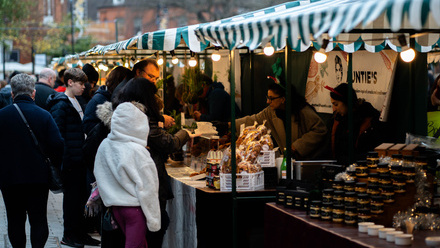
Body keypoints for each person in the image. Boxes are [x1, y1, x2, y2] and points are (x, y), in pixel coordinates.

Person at [94, 78, 163, 248]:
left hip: (115, 207)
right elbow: (148, 187)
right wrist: (154, 220)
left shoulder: (105, 145)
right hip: (135, 209)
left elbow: (100, 174)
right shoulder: (138, 151)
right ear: (141, 125)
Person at [0, 73, 64, 248]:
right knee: (38, 219)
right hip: (38, 176)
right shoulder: (44, 115)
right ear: (33, 93)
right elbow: (58, 144)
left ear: (12, 94)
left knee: (15, 219)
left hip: (9, 177)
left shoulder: (2, 115)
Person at [47, 68, 100, 247]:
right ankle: (69, 235)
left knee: (80, 200)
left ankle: (80, 234)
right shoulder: (61, 103)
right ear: (70, 82)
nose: (84, 87)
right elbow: (56, 134)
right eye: (80, 83)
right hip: (70, 162)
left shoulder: (76, 101)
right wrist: (65, 158)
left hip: (79, 159)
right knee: (71, 202)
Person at [234, 79, 328, 160]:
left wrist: (297, 146)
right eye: (267, 98)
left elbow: (320, 130)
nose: (268, 102)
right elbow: (254, 120)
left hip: (306, 161)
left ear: (283, 99)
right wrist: (230, 125)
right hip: (287, 160)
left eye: (271, 98)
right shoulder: (271, 111)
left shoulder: (303, 111)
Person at [327, 83, 384, 165]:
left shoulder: (369, 120)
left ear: (347, 101)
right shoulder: (336, 120)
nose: (334, 108)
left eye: (336, 104)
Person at [112, 59, 175, 129]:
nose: (153, 81)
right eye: (151, 76)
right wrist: (161, 119)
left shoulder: (133, 87)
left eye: (156, 78)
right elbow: (136, 119)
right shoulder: (128, 90)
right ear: (138, 72)